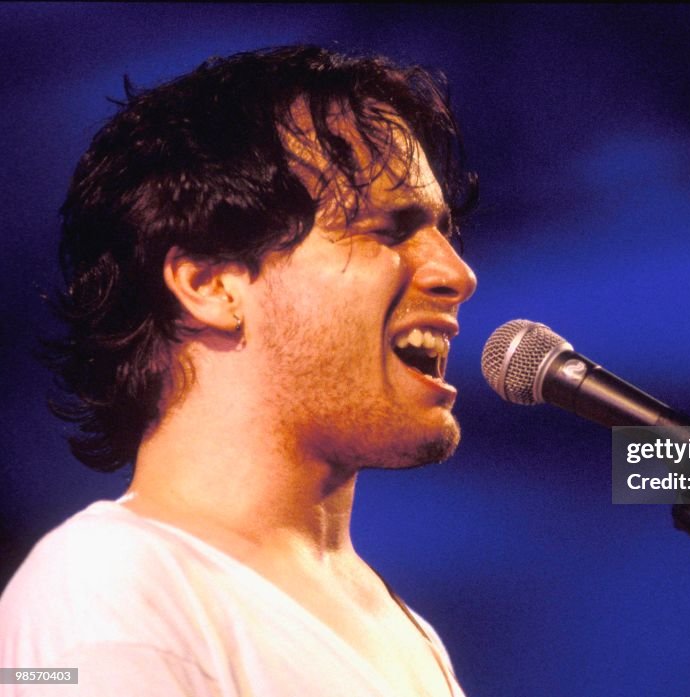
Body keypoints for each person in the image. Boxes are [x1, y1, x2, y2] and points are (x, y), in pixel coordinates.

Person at [0, 45, 478, 697]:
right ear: (210, 285)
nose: (457, 272)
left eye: (444, 231)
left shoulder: (401, 627)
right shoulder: (109, 599)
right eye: (388, 231)